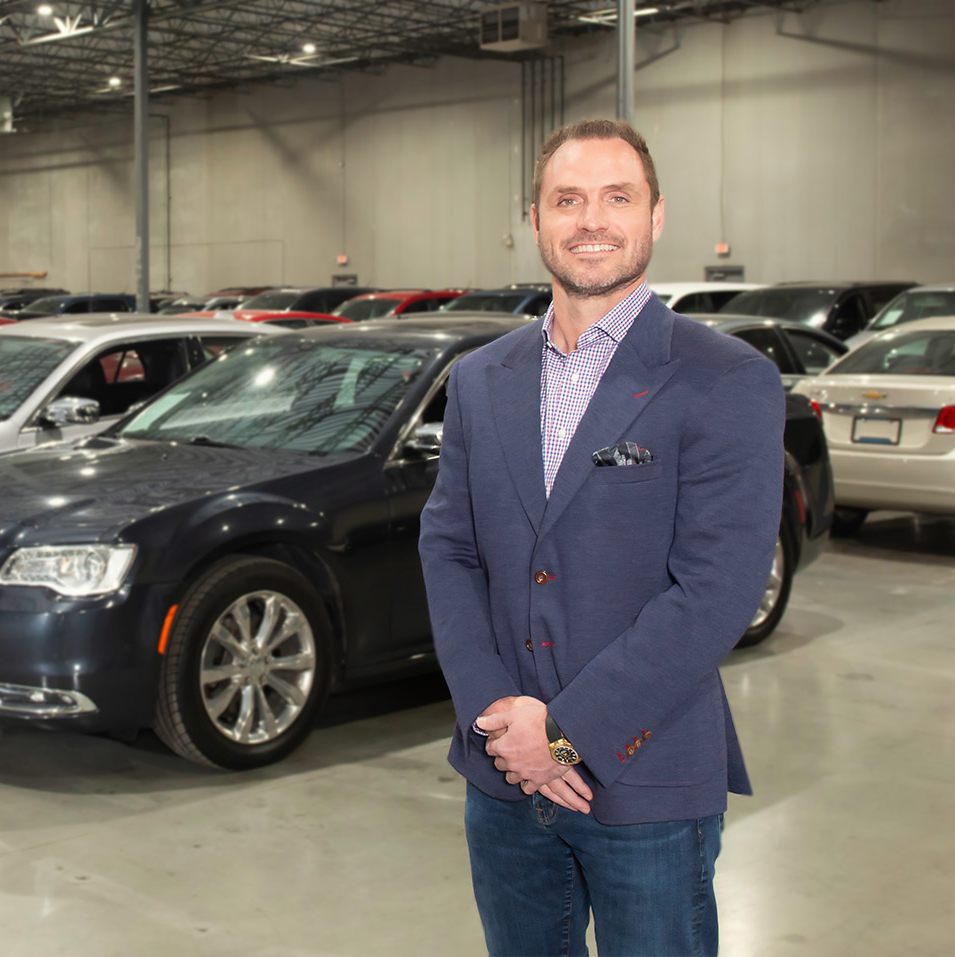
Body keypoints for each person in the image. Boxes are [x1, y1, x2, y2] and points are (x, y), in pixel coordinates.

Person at [418, 119, 784, 956]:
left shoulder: (727, 380)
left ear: (656, 217)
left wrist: (564, 731)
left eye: (617, 197)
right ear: (536, 221)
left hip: (647, 776)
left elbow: (716, 590)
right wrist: (497, 719)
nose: (592, 219)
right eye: (567, 199)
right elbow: (450, 548)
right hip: (503, 773)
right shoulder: (480, 379)